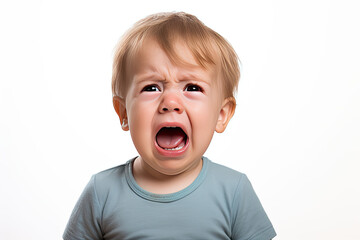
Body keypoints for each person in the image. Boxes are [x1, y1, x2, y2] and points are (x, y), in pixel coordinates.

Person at [63, 12, 276, 240]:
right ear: (123, 112)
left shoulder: (234, 191)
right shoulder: (101, 192)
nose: (171, 103)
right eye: (151, 88)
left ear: (221, 115)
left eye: (192, 88)